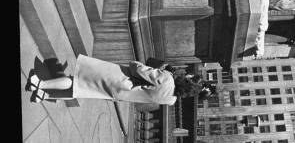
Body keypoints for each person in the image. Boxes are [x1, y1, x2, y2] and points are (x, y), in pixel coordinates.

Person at [26, 55, 202, 105]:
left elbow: (138, 69)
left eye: (187, 78)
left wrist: (137, 63)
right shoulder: (170, 100)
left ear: (185, 81)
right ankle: (43, 95)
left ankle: (39, 84)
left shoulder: (167, 79)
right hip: (118, 95)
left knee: (77, 80)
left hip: (118, 80)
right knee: (80, 91)